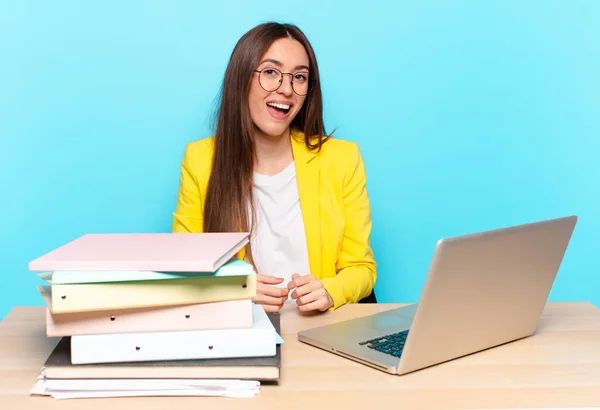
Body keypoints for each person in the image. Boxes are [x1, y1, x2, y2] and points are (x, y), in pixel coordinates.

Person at [172, 22, 376, 313]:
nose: (286, 89)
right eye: (270, 72)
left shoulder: (342, 158)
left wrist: (331, 291)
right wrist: (238, 288)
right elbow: (185, 269)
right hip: (244, 329)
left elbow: (361, 268)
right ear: (241, 77)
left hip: (319, 328)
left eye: (300, 77)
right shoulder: (201, 159)